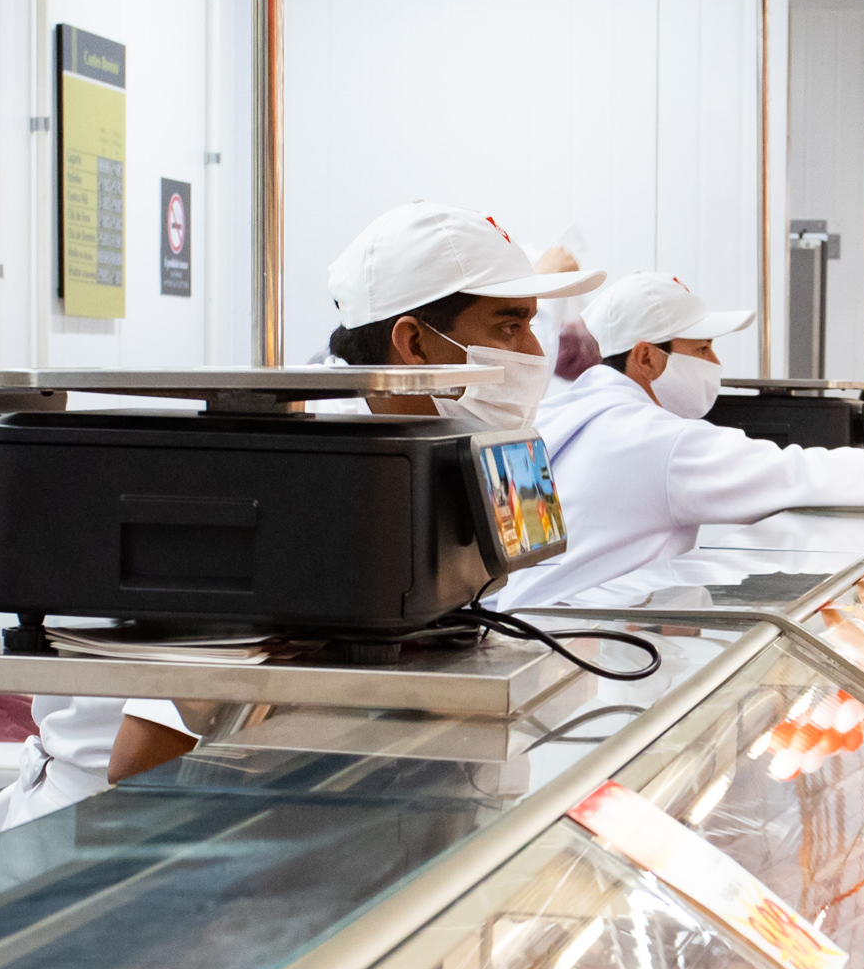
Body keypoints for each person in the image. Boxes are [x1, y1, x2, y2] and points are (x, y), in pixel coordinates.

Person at [99, 203, 604, 782]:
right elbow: (138, 767)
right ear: (413, 344)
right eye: (508, 327)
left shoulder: (431, 445)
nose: (535, 356)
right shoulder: (304, 478)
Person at [501, 273, 864, 607]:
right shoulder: (656, 442)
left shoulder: (560, 414)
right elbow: (801, 473)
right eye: (703, 349)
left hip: (536, 634)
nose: (716, 364)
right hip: (576, 652)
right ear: (646, 356)